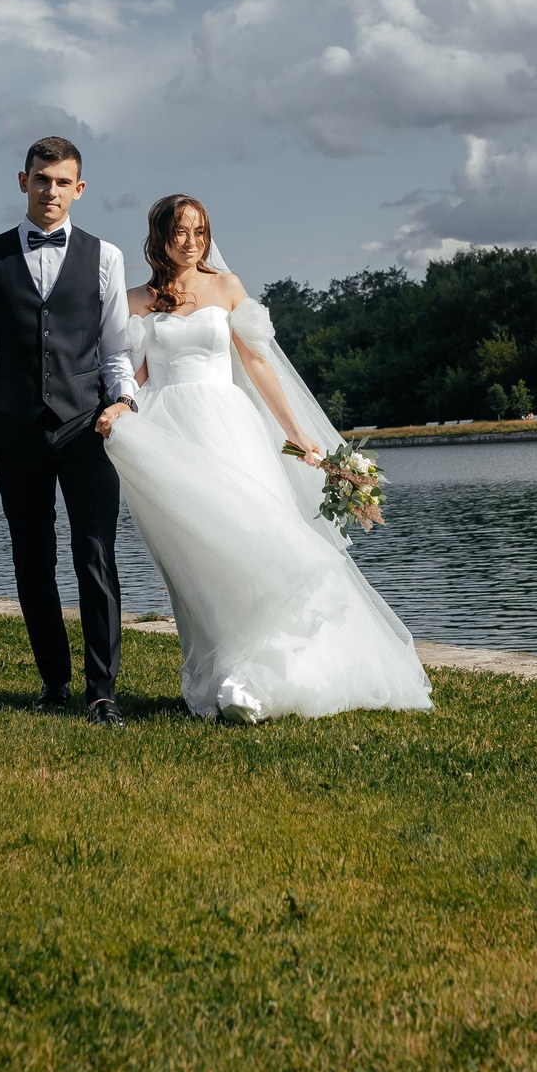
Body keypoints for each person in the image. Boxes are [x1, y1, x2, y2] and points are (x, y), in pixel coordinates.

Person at [98, 194, 433, 723]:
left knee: (256, 541)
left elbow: (257, 364)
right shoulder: (136, 299)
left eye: (200, 231)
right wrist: (120, 409)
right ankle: (222, 670)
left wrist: (299, 435)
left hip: (228, 428)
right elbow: (134, 376)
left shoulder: (227, 288)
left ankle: (261, 675)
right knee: (199, 559)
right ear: (158, 237)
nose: (191, 241)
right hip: (170, 437)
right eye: (180, 231)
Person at [0, 136, 142, 727]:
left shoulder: (106, 257)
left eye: (62, 182)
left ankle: (102, 691)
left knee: (96, 557)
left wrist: (125, 403)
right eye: (41, 179)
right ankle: (54, 682)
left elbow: (116, 352)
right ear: (22, 181)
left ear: (78, 189)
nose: (51, 191)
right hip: (13, 428)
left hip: (88, 428)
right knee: (31, 559)